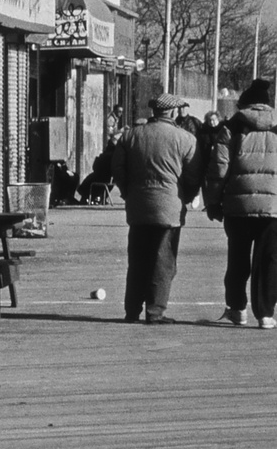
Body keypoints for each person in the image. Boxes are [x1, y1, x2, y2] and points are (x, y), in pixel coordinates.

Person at [110, 94, 206, 323]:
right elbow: (193, 177)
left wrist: (128, 193)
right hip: (169, 208)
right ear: (173, 113)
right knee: (163, 262)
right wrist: (187, 197)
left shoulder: (130, 136)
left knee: (137, 261)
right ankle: (155, 311)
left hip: (138, 208)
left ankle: (132, 310)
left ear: (154, 112)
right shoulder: (186, 139)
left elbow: (117, 170)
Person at [205, 79, 277, 327]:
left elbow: (218, 169)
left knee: (237, 259)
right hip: (273, 207)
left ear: (244, 103)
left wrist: (213, 202)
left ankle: (238, 309)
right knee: (269, 261)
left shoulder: (232, 127)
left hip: (238, 206)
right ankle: (266, 314)